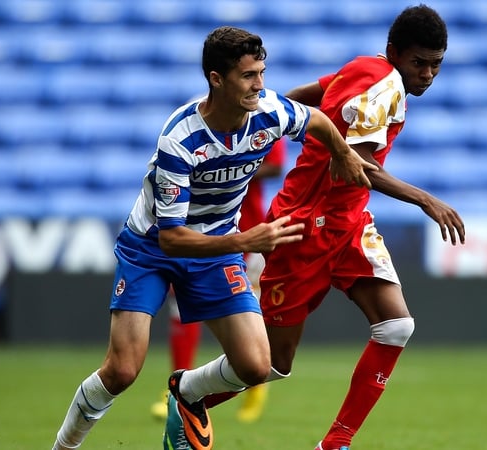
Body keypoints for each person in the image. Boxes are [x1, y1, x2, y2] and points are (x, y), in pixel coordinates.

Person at [51, 26, 375, 450]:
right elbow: (171, 239)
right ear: (216, 79)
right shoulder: (180, 138)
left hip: (217, 246)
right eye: (248, 76)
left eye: (261, 73)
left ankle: (184, 391)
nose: (259, 85)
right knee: (122, 371)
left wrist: (342, 152)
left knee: (256, 365)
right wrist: (244, 242)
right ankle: (63, 447)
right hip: (151, 249)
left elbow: (315, 119)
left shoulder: (270, 111)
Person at [190, 5, 465, 450]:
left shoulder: (362, 67)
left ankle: (335, 443)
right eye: (419, 62)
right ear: (394, 52)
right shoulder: (383, 85)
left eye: (436, 64)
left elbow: (301, 96)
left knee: (396, 325)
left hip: (348, 221)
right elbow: (359, 164)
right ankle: (188, 392)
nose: (428, 74)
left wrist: (274, 128)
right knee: (273, 363)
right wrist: (427, 200)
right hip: (303, 226)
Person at [150, 138, 287, 423]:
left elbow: (276, 166)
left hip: (245, 228)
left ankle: (255, 384)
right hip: (197, 227)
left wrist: (226, 170)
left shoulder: (262, 123)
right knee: (179, 303)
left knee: (250, 307)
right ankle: (176, 387)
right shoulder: (192, 129)